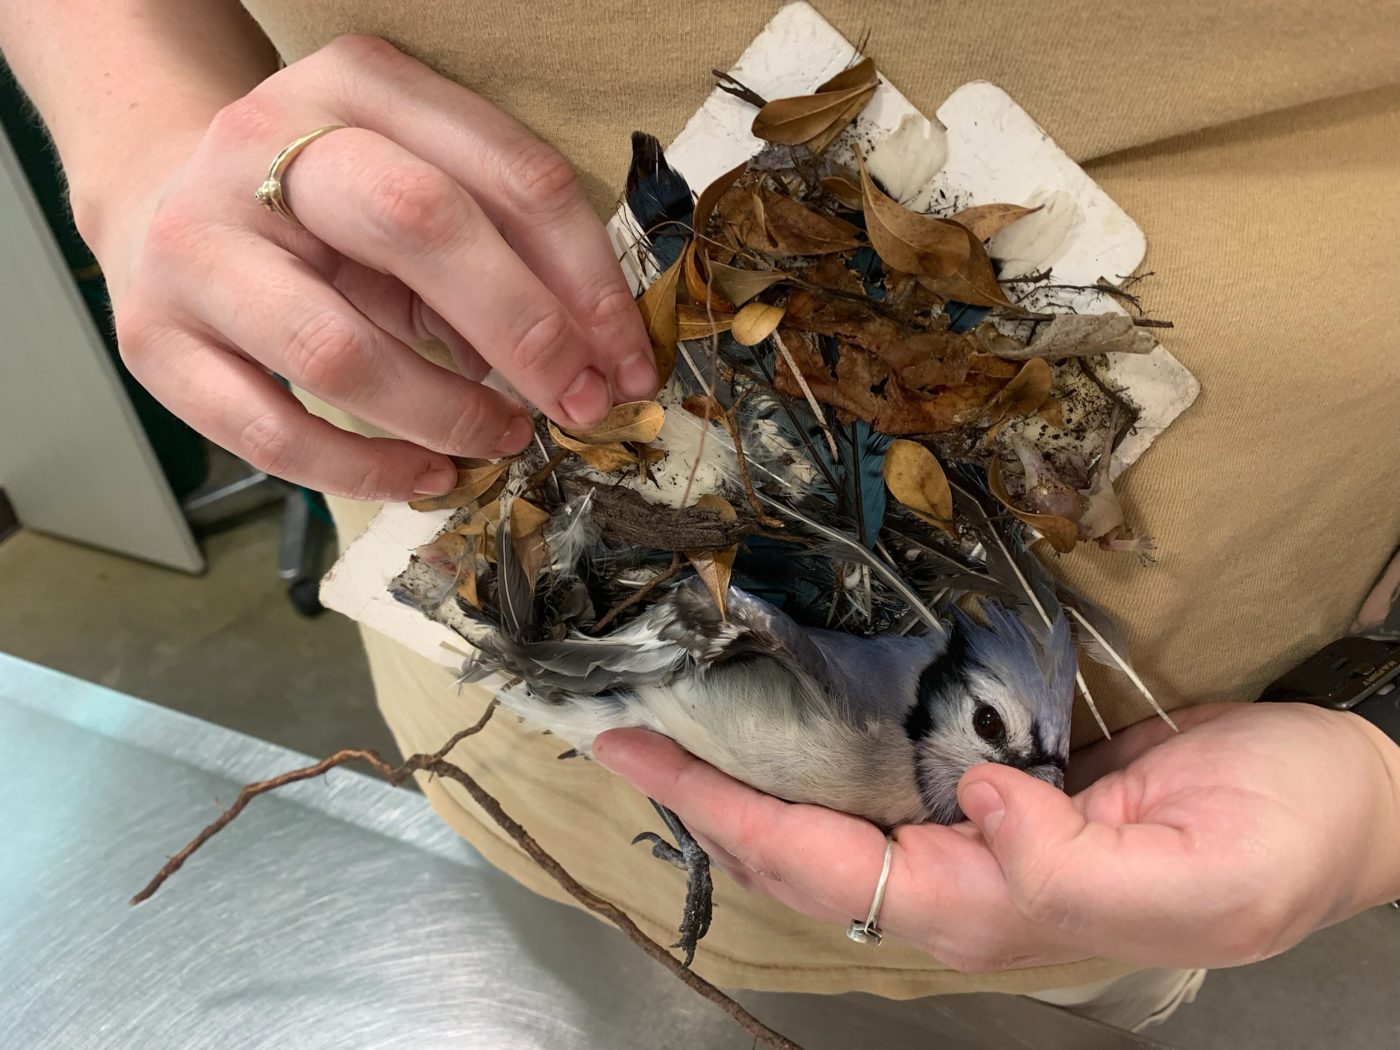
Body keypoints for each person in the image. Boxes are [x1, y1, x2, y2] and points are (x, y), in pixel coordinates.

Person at [3, 0, 1397, 1032]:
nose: (995, 768)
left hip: (1189, 858)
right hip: (533, 785)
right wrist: (141, 147)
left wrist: (1387, 773)